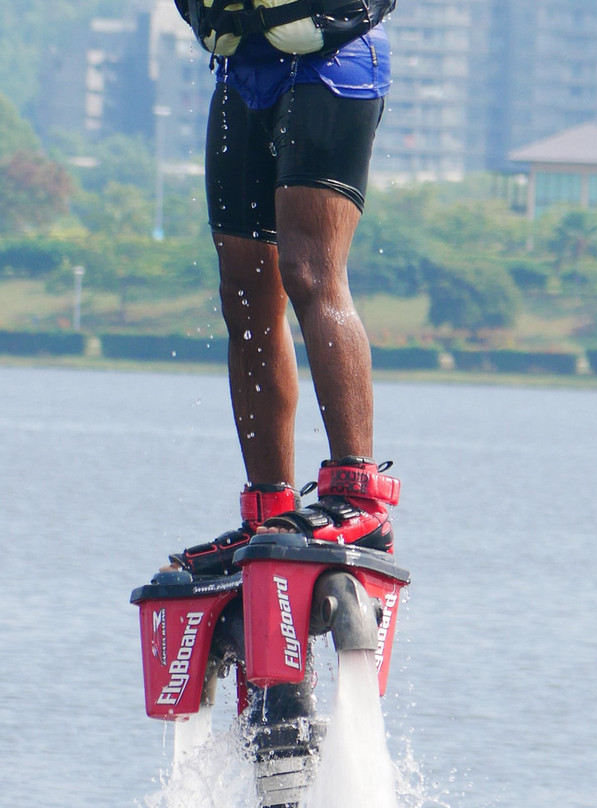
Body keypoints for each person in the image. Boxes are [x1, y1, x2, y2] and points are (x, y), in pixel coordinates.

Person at [166, 4, 402, 578]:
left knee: (308, 270)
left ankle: (361, 498)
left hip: (331, 64)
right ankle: (268, 509)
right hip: (241, 75)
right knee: (243, 295)